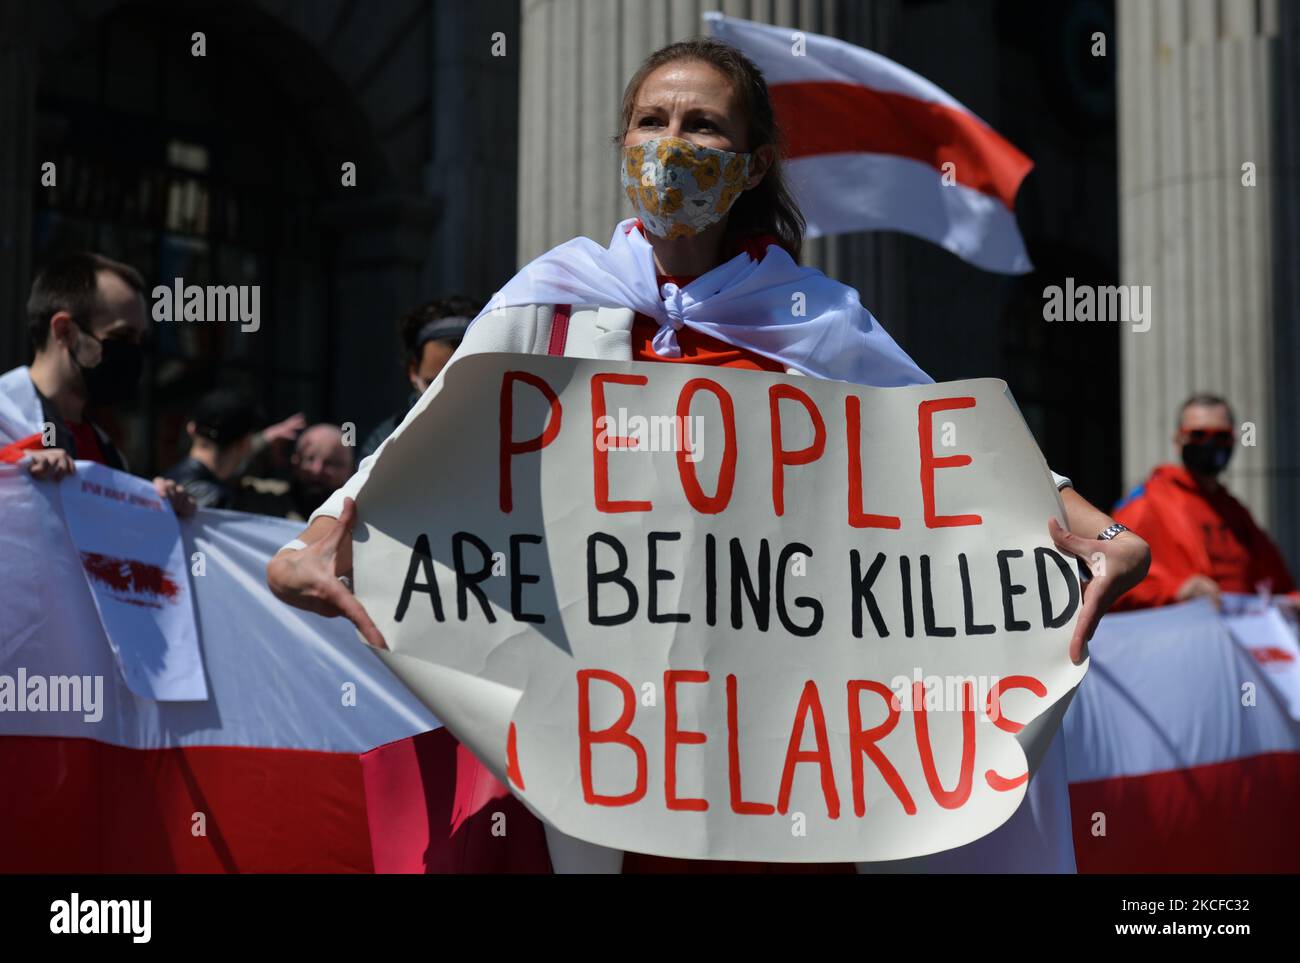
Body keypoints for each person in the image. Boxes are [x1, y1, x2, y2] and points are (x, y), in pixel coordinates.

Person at [268, 38, 1151, 871]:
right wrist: (314, 542)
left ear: (754, 161)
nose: (671, 144)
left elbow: (955, 458)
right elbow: (413, 463)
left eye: (702, 126)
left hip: (769, 767)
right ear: (623, 142)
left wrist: (1103, 531)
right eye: (652, 121)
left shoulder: (816, 320)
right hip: (594, 741)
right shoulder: (549, 300)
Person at [0, 252, 193, 514]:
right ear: (64, 331)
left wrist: (154, 505)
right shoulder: (6, 415)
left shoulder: (107, 451)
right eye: (121, 335)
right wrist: (12, 469)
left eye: (140, 340)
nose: (134, 351)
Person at [1111, 393, 1297, 610]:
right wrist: (1176, 590)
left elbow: (1278, 583)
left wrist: (1292, 600)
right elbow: (1108, 579)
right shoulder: (1147, 504)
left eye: (1221, 436)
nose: (1210, 443)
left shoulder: (1235, 511)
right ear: (1179, 440)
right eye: (1198, 434)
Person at [359, 297, 479, 461]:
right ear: (413, 371)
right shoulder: (383, 443)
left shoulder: (512, 431)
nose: (448, 397)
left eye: (464, 383)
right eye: (433, 384)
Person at [161, 389, 305, 510]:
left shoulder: (167, 484)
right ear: (244, 443)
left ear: (191, 429)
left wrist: (265, 439)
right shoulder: (218, 500)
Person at [239, 423, 355, 521]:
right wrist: (262, 442)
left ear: (349, 470)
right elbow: (224, 477)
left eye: (330, 463)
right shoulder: (265, 499)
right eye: (309, 459)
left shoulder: (358, 516)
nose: (316, 470)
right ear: (295, 461)